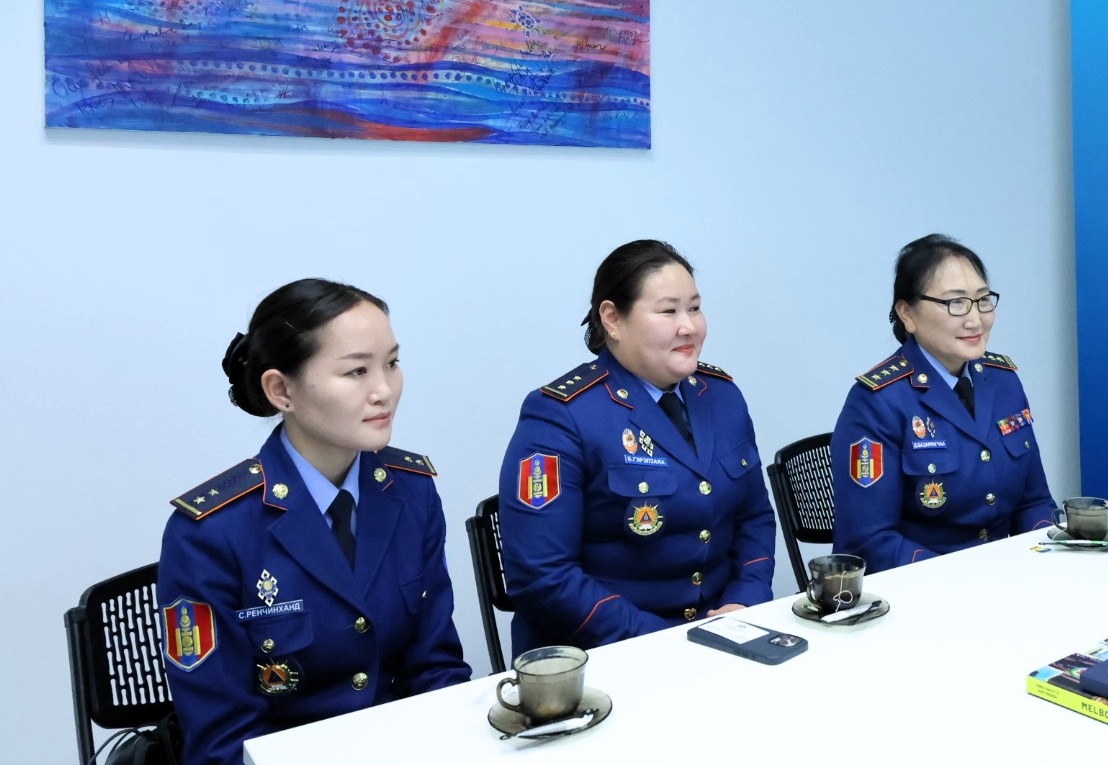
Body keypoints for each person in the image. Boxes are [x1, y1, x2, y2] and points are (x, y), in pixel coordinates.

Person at [158, 280, 470, 765]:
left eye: (391, 363)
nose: (384, 390)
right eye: (356, 371)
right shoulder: (211, 532)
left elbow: (435, 669)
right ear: (282, 390)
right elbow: (224, 745)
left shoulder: (411, 491)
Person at [500, 240, 776, 653]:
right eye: (668, 311)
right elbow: (543, 575)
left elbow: (754, 518)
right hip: (609, 652)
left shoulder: (721, 396)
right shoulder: (561, 416)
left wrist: (745, 602)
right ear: (612, 318)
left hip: (722, 637)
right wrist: (661, 642)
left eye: (695, 308)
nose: (689, 326)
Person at [832, 234, 1054, 572]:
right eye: (956, 303)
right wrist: (959, 580)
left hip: (1005, 582)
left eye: (983, 300)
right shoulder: (878, 401)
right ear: (907, 314)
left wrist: (1053, 552)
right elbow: (870, 540)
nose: (975, 319)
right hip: (918, 591)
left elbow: (1034, 502)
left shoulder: (1003, 380)